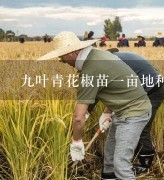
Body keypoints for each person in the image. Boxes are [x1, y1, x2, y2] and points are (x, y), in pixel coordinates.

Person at [37, 31, 152, 179]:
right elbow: (117, 85)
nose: (61, 60)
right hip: (123, 111)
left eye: (62, 55)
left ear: (73, 52)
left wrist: (76, 142)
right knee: (109, 158)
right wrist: (107, 111)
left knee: (121, 165)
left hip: (134, 115)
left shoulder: (90, 70)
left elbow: (78, 117)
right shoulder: (99, 56)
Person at [87, 51, 164, 175]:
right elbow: (118, 91)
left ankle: (145, 164)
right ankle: (119, 163)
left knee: (141, 125)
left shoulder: (112, 64)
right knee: (124, 127)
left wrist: (84, 114)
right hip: (148, 87)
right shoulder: (118, 59)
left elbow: (114, 90)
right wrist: (107, 112)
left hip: (151, 91)